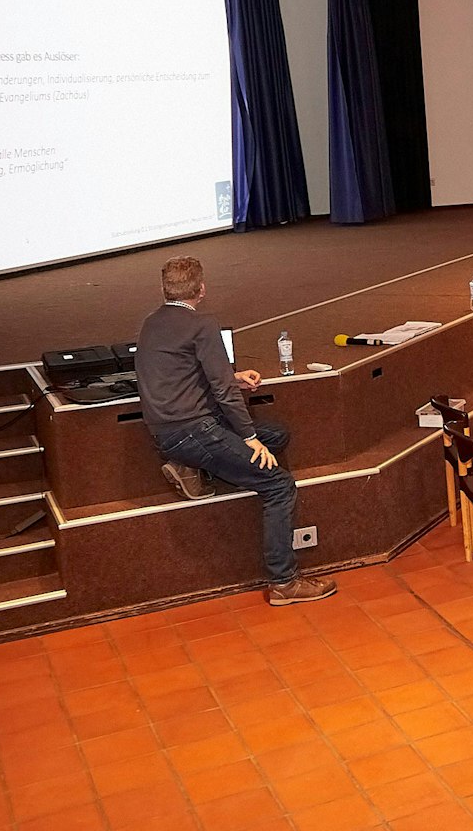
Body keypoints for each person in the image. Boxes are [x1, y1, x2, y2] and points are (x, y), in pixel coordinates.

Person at [137, 257, 336, 606]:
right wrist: (248, 436)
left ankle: (192, 469)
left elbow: (187, 374)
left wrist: (234, 378)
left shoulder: (150, 324)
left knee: (276, 434)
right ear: (202, 289)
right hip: (196, 431)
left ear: (164, 289)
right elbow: (224, 394)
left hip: (165, 433)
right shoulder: (202, 325)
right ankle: (284, 582)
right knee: (278, 484)